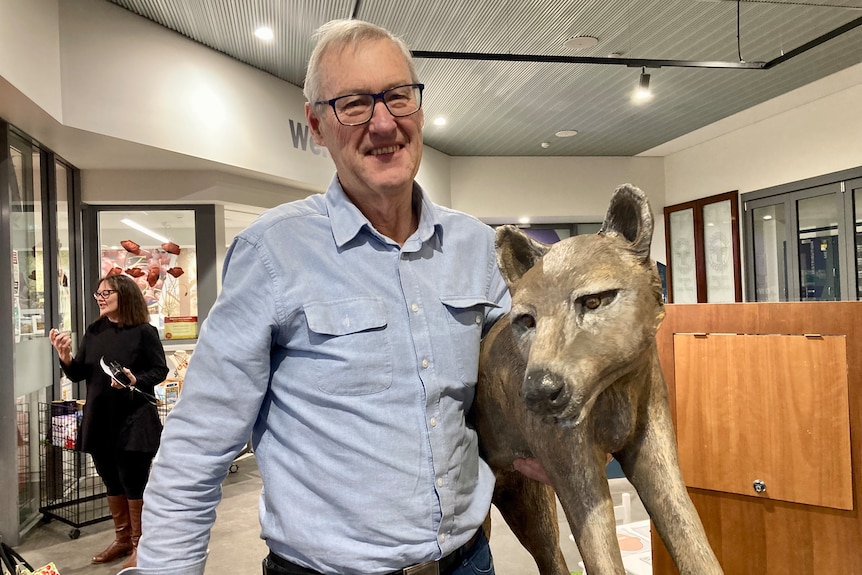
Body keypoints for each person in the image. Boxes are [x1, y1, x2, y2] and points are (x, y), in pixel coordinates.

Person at [125, 18, 511, 575]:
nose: (384, 123)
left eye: (398, 96)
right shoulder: (271, 253)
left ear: (419, 108)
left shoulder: (474, 246)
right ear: (316, 125)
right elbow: (197, 446)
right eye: (354, 104)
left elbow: (514, 386)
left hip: (467, 563)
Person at [50, 273, 168, 569]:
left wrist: (134, 379)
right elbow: (79, 373)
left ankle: (142, 545)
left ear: (124, 296)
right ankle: (123, 539)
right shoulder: (95, 330)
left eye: (106, 293)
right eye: (98, 293)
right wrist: (64, 357)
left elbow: (159, 370)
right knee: (111, 481)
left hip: (134, 420)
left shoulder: (144, 332)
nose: (100, 298)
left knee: (133, 483)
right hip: (100, 419)